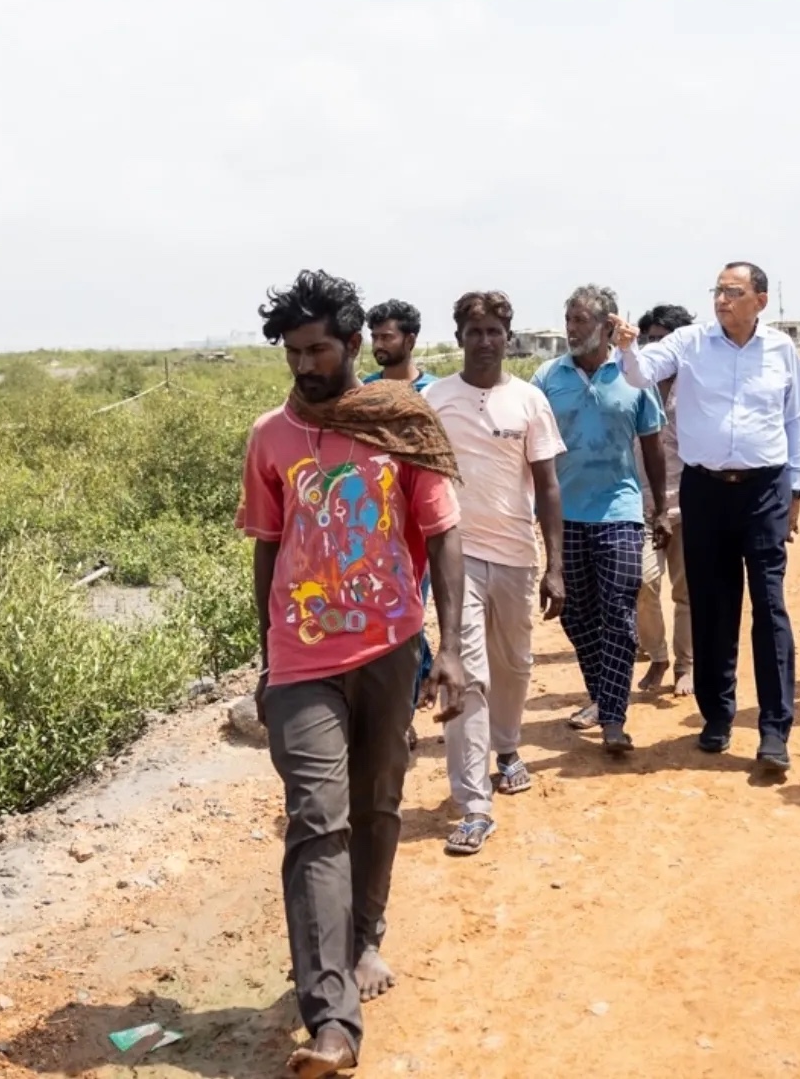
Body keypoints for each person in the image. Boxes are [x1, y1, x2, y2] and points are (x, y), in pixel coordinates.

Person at [237, 270, 467, 1079]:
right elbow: (269, 546)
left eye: (319, 349)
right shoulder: (270, 436)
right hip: (302, 659)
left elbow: (441, 535)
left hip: (387, 647)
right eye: (293, 352)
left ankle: (368, 932)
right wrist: (266, 660)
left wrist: (452, 649)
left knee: (376, 801)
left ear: (354, 343)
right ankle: (332, 1019)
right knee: (314, 819)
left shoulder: (400, 421)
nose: (304, 364)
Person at [611, 262, 800, 771]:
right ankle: (717, 718)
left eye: (733, 291)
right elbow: (638, 374)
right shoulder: (690, 342)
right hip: (704, 490)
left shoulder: (782, 349)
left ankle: (773, 730)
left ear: (760, 300)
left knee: (769, 606)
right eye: (718, 291)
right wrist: (627, 345)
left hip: (764, 490)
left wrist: (796, 486)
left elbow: (795, 418)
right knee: (713, 604)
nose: (722, 300)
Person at [424, 290, 566, 855]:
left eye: (494, 332)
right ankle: (473, 803)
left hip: (516, 552)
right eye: (475, 331)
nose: (485, 341)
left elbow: (549, 487)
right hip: (456, 556)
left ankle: (507, 749)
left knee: (515, 664)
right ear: (459, 336)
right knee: (467, 672)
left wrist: (554, 565)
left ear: (508, 337)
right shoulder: (435, 401)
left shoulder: (529, 402)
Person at [532, 285, 669, 754]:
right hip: (562, 515)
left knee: (619, 612)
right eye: (568, 319)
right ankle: (603, 691)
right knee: (575, 614)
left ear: (608, 326)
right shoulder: (548, 377)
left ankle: (613, 716)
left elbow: (652, 445)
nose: (571, 329)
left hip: (620, 510)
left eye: (581, 321)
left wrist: (659, 510)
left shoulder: (633, 377)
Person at [361, 298, 439, 712]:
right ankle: (417, 677)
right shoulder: (365, 393)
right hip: (375, 525)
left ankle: (402, 713)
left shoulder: (436, 394)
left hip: (422, 527)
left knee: (409, 613)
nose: (379, 343)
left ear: (410, 339)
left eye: (386, 336)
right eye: (374, 336)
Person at [633, 304, 696, 698]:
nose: (654, 348)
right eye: (649, 340)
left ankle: (686, 666)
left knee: (687, 590)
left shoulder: (698, 387)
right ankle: (656, 654)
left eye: (663, 340)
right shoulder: (632, 386)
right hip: (640, 504)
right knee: (642, 581)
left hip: (690, 501)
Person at [363, 299, 438, 392]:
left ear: (410, 341)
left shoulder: (433, 390)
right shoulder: (366, 388)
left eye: (386, 337)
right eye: (374, 337)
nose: (378, 345)